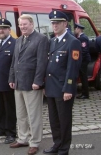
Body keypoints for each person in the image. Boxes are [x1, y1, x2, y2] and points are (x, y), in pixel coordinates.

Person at [8, 14, 49, 155]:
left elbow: (42, 62)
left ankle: (35, 142)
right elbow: (15, 61)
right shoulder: (19, 40)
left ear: (32, 24)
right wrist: (11, 78)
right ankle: (23, 138)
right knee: (21, 115)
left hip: (32, 84)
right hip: (18, 83)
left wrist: (38, 81)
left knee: (34, 115)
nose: (23, 27)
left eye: (25, 24)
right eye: (20, 25)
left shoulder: (41, 39)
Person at [43, 10, 82, 155]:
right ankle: (57, 144)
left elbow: (73, 68)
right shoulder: (53, 40)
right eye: (52, 23)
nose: (54, 26)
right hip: (51, 87)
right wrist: (45, 85)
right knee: (54, 120)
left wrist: (68, 89)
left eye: (57, 23)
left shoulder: (73, 42)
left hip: (62, 88)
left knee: (64, 121)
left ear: (65, 24)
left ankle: (64, 149)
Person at [74, 23, 91, 99]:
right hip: (82, 60)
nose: (75, 30)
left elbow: (84, 50)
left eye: (75, 29)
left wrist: (79, 59)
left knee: (84, 77)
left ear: (78, 29)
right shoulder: (80, 37)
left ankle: (85, 94)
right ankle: (84, 93)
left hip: (83, 60)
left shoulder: (83, 38)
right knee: (82, 76)